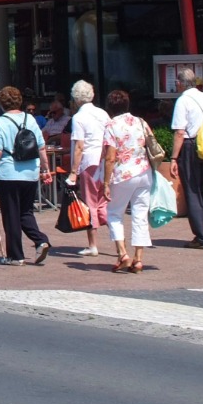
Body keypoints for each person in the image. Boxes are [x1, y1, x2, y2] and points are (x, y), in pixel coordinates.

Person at [0, 85, 51, 266]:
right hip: (30, 172)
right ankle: (40, 240)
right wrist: (45, 169)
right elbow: (41, 147)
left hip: (8, 173)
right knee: (26, 212)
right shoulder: (31, 119)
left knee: (11, 215)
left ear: (1, 103)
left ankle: (15, 255)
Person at [170, 67, 203, 250]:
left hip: (190, 147)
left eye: (177, 82)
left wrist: (173, 158)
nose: (176, 84)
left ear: (182, 83)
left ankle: (200, 237)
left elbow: (179, 132)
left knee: (192, 191)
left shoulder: (183, 101)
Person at [100, 89, 152, 273]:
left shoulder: (111, 125)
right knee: (140, 214)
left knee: (114, 213)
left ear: (110, 107)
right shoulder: (141, 122)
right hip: (144, 172)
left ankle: (122, 254)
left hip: (122, 174)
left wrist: (106, 182)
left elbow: (110, 157)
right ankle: (138, 258)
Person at [66, 80, 108, 257]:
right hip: (105, 161)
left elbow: (79, 147)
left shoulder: (78, 118)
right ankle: (116, 235)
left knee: (89, 202)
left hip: (88, 162)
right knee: (104, 201)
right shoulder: (103, 114)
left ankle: (92, 245)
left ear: (76, 98)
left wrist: (73, 172)